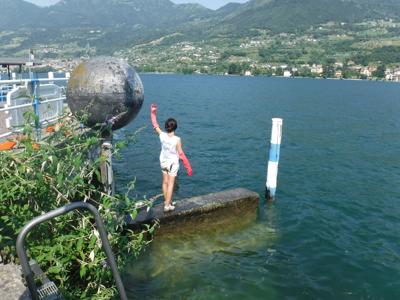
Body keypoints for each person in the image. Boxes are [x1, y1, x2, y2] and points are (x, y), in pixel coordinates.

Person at [150, 103, 192, 212]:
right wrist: (188, 167)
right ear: (175, 127)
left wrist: (153, 112)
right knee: (171, 184)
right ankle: (167, 205)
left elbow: (155, 125)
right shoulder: (177, 139)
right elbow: (181, 154)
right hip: (173, 164)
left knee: (164, 182)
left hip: (163, 161)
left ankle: (166, 201)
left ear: (166, 127)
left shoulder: (162, 135)